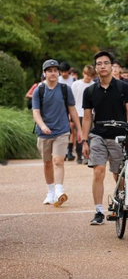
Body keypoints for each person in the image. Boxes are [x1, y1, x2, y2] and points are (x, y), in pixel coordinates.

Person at [81, 51, 128, 225]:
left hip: (119, 135)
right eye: (99, 63)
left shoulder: (123, 88)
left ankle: (121, 201)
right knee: (98, 171)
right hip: (98, 135)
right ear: (95, 67)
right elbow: (87, 118)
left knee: (118, 173)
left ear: (112, 66)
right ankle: (98, 211)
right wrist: (84, 140)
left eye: (106, 63)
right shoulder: (89, 91)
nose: (102, 66)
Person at [32, 59, 82, 207]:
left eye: (55, 70)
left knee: (58, 161)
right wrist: (42, 126)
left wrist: (79, 130)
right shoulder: (39, 90)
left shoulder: (65, 89)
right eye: (50, 71)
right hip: (44, 132)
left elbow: (72, 110)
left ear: (58, 72)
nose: (53, 73)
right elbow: (36, 112)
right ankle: (50, 192)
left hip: (62, 130)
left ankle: (60, 190)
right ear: (44, 73)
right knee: (47, 163)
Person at [71, 65, 96, 164]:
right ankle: (79, 155)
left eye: (91, 76)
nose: (89, 77)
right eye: (87, 75)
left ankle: (87, 155)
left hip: (90, 113)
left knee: (89, 135)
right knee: (79, 135)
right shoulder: (76, 84)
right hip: (78, 112)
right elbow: (71, 100)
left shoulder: (94, 85)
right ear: (83, 73)